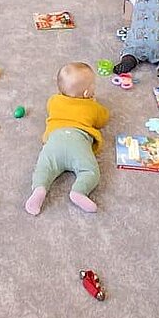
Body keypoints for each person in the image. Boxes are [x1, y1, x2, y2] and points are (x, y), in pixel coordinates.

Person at [25, 62, 110, 216]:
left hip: (54, 140)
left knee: (43, 168)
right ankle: (79, 191)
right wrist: (94, 103)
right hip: (78, 142)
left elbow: (50, 109)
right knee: (90, 171)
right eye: (93, 85)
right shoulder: (92, 107)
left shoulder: (53, 100)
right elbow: (103, 119)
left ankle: (39, 189)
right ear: (86, 93)